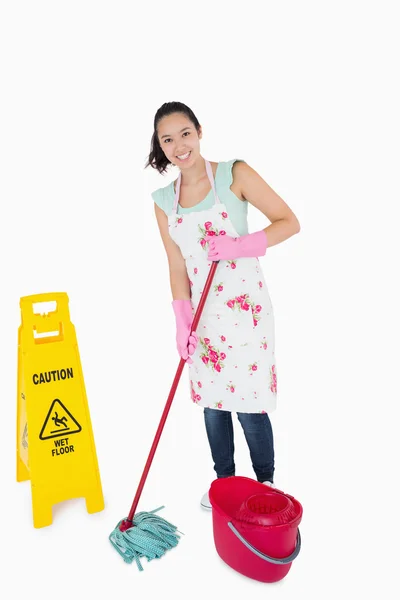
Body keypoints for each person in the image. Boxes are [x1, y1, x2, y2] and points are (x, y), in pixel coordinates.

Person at [146, 101, 300, 510]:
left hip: (246, 312)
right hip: (203, 319)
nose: (179, 145)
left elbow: (288, 221)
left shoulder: (235, 174)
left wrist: (239, 245)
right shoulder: (164, 201)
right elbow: (176, 265)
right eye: (168, 140)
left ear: (199, 131)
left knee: (249, 404)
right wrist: (182, 321)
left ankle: (266, 484)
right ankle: (225, 484)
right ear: (160, 148)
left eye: (184, 133)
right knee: (213, 405)